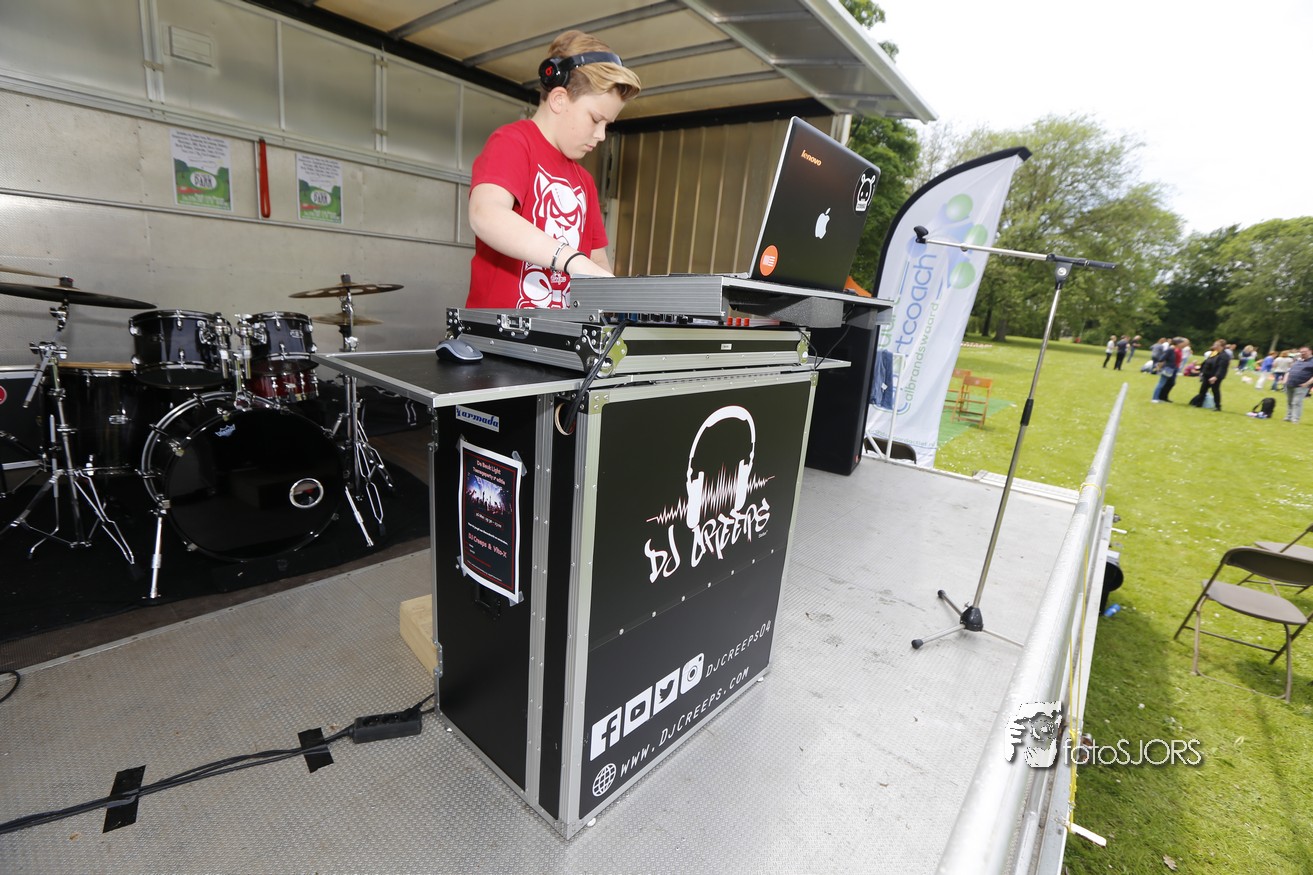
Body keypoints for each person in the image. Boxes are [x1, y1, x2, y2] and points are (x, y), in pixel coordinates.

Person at [465, 31, 642, 309]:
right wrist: (571, 259)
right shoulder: (513, 143)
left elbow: (596, 261)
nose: (601, 136)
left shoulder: (584, 181)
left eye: (607, 125)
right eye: (595, 119)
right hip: (497, 333)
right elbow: (485, 214)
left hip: (557, 334)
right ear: (559, 99)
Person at [1189, 339, 1229, 410]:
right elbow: (1207, 361)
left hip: (1215, 376)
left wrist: (1216, 377)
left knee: (1215, 390)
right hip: (1207, 375)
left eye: (1216, 345)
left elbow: (1221, 368)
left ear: (1222, 346)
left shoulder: (1224, 356)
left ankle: (1217, 406)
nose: (1214, 346)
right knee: (1203, 390)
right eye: (1214, 344)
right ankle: (1199, 404)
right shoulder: (1214, 353)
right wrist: (1200, 369)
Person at [1283, 345, 1313, 423]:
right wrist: (1285, 380)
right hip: (1290, 384)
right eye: (1301, 352)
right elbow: (1289, 370)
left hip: (1302, 385)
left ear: (1310, 351)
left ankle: (1295, 419)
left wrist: (1307, 383)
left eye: (1305, 352)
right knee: (1289, 402)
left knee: (1297, 402)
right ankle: (1288, 416)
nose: (1302, 353)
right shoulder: (1297, 360)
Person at [1151, 337, 1185, 402]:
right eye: (1182, 343)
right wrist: (1159, 367)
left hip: (1171, 369)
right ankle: (1154, 398)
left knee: (1165, 384)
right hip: (1167, 369)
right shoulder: (1170, 350)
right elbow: (1162, 358)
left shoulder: (1174, 350)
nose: (1183, 345)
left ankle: (1159, 398)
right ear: (1178, 343)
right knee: (1161, 384)